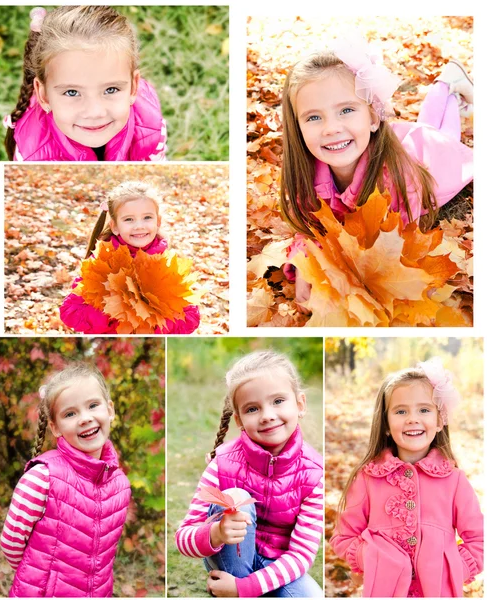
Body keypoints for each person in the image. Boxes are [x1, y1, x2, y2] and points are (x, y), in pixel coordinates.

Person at [280, 34, 473, 306]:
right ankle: (446, 85)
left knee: (446, 136)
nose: (331, 128)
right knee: (429, 125)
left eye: (346, 110)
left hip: (428, 161)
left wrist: (344, 279)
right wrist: (305, 263)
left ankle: (447, 87)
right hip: (399, 146)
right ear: (297, 128)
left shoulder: (398, 180)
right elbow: (312, 230)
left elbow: (393, 248)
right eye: (314, 117)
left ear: (372, 117)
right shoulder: (306, 176)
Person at [330, 358, 483, 597]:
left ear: (439, 420)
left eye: (424, 410)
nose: (412, 418)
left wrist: (455, 569)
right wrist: (371, 558)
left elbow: (478, 537)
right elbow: (344, 536)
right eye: (401, 411)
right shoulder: (369, 478)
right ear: (387, 424)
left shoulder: (454, 481)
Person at [175, 350, 324, 597]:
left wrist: (245, 588)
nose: (267, 416)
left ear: (300, 404)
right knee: (235, 498)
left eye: (278, 401)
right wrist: (216, 533)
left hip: (276, 564)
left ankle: (244, 591)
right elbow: (183, 537)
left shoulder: (313, 474)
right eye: (253, 408)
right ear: (239, 419)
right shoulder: (222, 464)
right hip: (229, 559)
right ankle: (235, 585)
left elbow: (301, 555)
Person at [0, 363, 131, 597]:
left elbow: (103, 558)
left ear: (110, 410)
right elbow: (11, 543)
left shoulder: (120, 485)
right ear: (55, 427)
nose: (85, 418)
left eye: (93, 405)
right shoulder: (42, 478)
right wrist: (40, 577)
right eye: (70, 414)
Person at [4, 6, 167, 161]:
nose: (94, 112)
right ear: (44, 95)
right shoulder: (32, 152)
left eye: (111, 89)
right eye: (72, 92)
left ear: (133, 87)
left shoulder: (150, 125)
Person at [60, 181, 200, 334]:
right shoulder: (101, 262)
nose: (139, 226)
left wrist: (156, 323)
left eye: (147, 217)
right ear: (114, 226)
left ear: (158, 221)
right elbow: (70, 312)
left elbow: (191, 317)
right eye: (128, 219)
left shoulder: (166, 264)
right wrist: (112, 311)